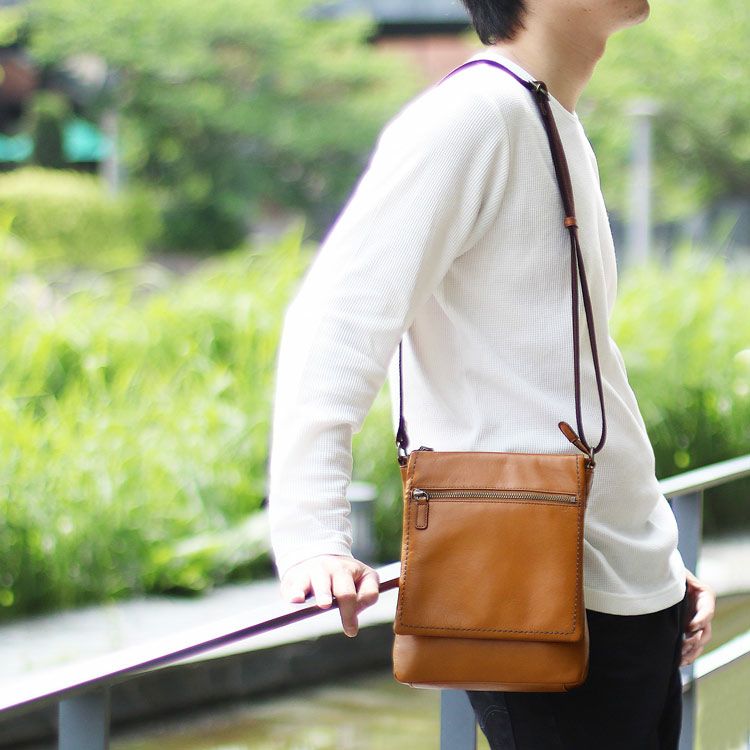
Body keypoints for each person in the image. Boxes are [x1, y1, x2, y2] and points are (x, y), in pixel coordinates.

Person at [267, 0, 716, 746]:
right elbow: (337, 319)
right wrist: (314, 534)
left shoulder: (548, 117)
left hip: (619, 586)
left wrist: (655, 560)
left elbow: (574, 371)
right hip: (530, 594)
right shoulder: (473, 116)